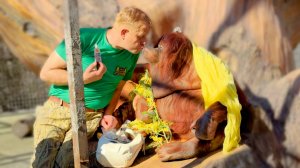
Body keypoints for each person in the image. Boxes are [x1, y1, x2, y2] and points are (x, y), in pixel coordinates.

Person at [31, 6, 151, 167]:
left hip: (90, 118)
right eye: (141, 37)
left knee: (65, 164)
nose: (145, 43)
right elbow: (46, 73)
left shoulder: (132, 54)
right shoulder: (84, 37)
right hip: (57, 111)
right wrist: (82, 79)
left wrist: (108, 114)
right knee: (42, 163)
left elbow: (118, 86)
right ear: (124, 33)